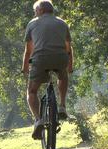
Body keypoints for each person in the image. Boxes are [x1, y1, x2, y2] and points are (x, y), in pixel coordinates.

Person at [22, 0, 73, 140]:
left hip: (40, 59)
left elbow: (28, 50)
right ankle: (62, 106)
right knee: (63, 76)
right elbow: (68, 47)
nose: (35, 13)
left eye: (35, 11)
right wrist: (70, 66)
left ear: (40, 10)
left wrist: (25, 68)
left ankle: (38, 120)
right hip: (60, 58)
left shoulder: (32, 23)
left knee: (31, 91)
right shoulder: (62, 23)